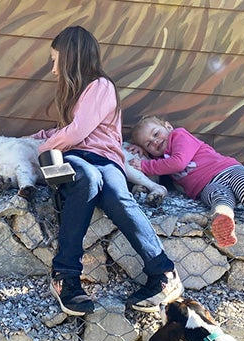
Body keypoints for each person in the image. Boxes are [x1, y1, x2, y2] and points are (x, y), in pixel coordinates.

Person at [29, 26, 183, 316]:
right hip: (80, 159)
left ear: (71, 57)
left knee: (116, 193)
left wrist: (43, 149)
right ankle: (65, 276)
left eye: (54, 60)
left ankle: (163, 274)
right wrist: (47, 138)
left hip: (105, 159)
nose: (52, 70)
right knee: (87, 179)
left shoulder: (101, 85)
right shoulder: (74, 94)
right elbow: (71, 131)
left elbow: (78, 130)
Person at [129, 115, 244, 265]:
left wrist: (145, 165)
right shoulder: (159, 158)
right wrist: (142, 152)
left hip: (229, 171)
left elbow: (179, 162)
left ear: (168, 126)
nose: (155, 141)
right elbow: (162, 162)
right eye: (149, 143)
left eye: (156, 134)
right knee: (219, 200)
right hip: (208, 187)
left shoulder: (179, 135)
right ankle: (224, 221)